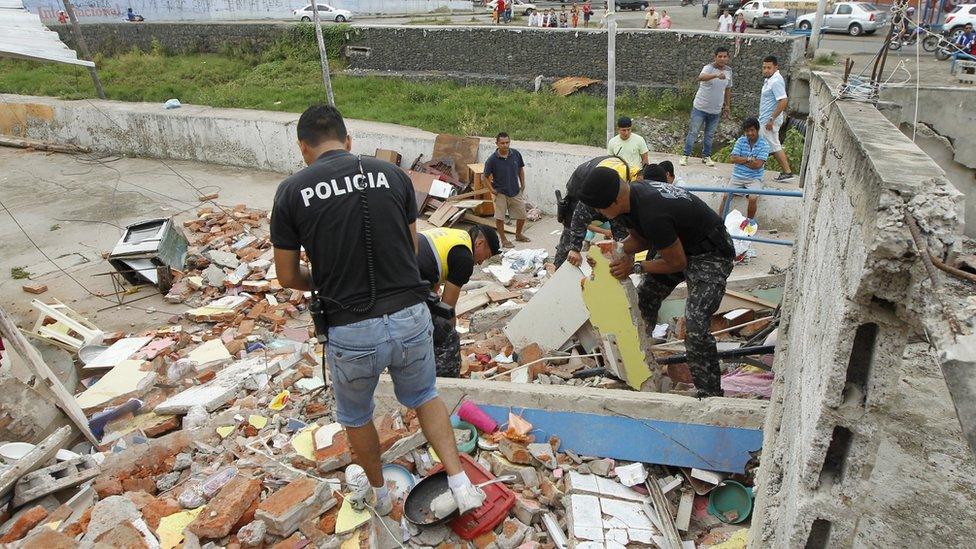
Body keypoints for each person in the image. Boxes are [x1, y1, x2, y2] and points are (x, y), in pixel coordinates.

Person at [270, 105, 485, 517]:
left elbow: (286, 276)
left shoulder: (292, 191)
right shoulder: (392, 175)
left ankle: (379, 494)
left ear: (303, 148)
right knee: (425, 396)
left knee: (356, 415)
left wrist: (331, 277)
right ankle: (460, 483)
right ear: (348, 140)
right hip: (409, 316)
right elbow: (410, 248)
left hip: (351, 331)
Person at [576, 167, 735, 398]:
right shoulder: (630, 200)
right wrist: (615, 250)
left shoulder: (653, 212)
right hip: (682, 246)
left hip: (710, 254)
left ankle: (709, 394)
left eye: (601, 207)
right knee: (643, 300)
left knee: (696, 325)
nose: (599, 212)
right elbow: (640, 239)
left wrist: (634, 267)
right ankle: (637, 365)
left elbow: (677, 263)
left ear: (614, 200)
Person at [417, 226, 501, 377]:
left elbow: (434, 277)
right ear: (480, 243)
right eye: (486, 256)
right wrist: (451, 334)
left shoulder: (457, 236)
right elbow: (447, 307)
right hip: (407, 280)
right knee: (447, 337)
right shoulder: (465, 259)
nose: (481, 262)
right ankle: (445, 380)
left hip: (396, 264)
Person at [554, 156, 641, 268]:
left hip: (609, 189)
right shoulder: (594, 194)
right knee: (569, 239)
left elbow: (622, 230)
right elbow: (578, 217)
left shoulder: (631, 190)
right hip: (581, 187)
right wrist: (574, 248)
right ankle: (558, 269)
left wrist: (623, 253)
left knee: (621, 243)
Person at [681, 47, 732, 168]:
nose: (722, 59)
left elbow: (728, 88)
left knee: (709, 135)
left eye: (725, 56)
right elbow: (701, 77)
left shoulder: (729, 71)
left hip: (715, 110)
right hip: (700, 108)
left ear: (728, 58)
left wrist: (727, 105)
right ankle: (685, 155)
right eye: (720, 56)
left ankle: (706, 156)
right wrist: (715, 75)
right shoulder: (709, 68)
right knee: (693, 132)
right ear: (715, 57)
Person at [484, 132, 530, 247]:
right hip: (500, 193)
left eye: (507, 142)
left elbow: (520, 169)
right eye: (502, 143)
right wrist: (492, 190)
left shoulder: (516, 154)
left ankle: (518, 234)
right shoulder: (492, 160)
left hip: (515, 190)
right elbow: (484, 177)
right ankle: (504, 240)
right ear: (497, 144)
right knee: (500, 218)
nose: (505, 145)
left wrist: (523, 183)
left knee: (522, 215)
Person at [719, 117, 770, 220]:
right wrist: (749, 159)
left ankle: (749, 222)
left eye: (752, 130)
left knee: (752, 198)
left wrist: (741, 161)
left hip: (754, 178)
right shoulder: (741, 141)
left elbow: (757, 165)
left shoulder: (764, 144)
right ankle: (719, 222)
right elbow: (733, 158)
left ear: (757, 129)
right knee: (725, 197)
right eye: (747, 131)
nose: (750, 133)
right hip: (737, 176)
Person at [759, 55, 794, 181]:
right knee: (769, 145)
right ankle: (759, 169)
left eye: (769, 67)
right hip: (765, 119)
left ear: (776, 67)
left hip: (769, 120)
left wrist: (771, 119)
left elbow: (783, 101)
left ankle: (787, 172)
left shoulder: (776, 81)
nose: (766, 70)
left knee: (772, 145)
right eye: (764, 68)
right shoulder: (770, 79)